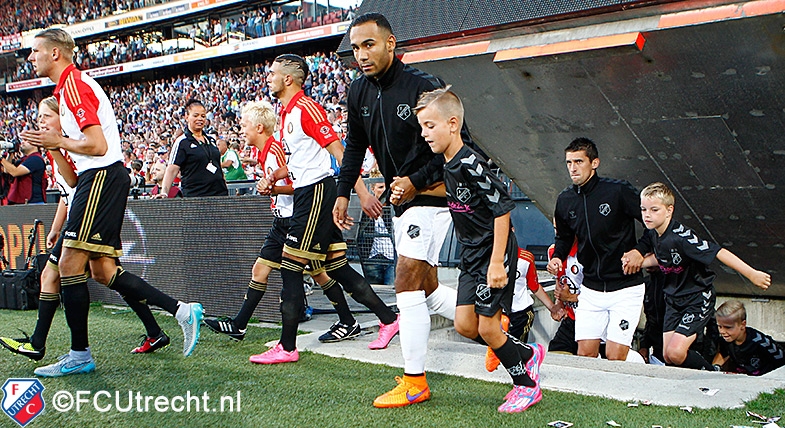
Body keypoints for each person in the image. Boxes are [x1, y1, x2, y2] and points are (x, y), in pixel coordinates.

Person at [19, 28, 203, 377]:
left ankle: (79, 354)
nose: (31, 57)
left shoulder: (74, 86)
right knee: (102, 271)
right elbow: (75, 173)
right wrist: (54, 146)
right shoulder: (68, 88)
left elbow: (98, 146)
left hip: (102, 177)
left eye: (35, 50)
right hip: (100, 178)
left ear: (55, 53)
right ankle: (181, 311)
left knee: (68, 264)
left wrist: (59, 140)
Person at [333, 12, 465, 408]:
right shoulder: (358, 91)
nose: (361, 54)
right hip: (402, 199)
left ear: (390, 44)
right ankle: (493, 324)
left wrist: (416, 181)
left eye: (369, 45)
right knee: (426, 290)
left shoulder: (422, 86)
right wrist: (343, 193)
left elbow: (456, 143)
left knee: (405, 279)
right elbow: (354, 147)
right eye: (355, 48)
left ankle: (415, 380)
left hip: (432, 196)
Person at [248, 54, 399, 365]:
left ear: (288, 79)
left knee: (291, 266)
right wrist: (274, 177)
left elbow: (340, 152)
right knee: (336, 266)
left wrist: (362, 192)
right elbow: (299, 160)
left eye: (273, 73)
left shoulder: (306, 108)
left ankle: (287, 347)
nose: (268, 77)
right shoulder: (288, 112)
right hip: (311, 193)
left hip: (316, 193)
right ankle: (388, 319)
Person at [1, 97, 172, 361]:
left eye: (46, 116)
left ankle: (51, 346)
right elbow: (67, 191)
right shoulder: (58, 146)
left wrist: (57, 148)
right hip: (80, 216)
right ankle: (157, 328)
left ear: (62, 117)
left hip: (89, 215)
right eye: (39, 117)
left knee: (63, 273)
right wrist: (56, 227)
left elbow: (80, 184)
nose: (41, 122)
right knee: (106, 274)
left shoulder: (75, 142)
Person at [203, 100, 381, 345]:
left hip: (295, 219)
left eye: (244, 125)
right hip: (282, 220)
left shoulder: (276, 149)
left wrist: (273, 188)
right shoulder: (265, 151)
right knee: (263, 270)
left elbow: (298, 183)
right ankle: (240, 325)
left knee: (321, 272)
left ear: (258, 127)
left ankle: (350, 321)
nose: (241, 130)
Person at [415, 87, 544, 413]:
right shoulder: (447, 163)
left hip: (493, 254)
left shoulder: (471, 163)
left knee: (488, 326)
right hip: (470, 255)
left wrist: (497, 262)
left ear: (453, 124)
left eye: (430, 125)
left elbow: (502, 209)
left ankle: (526, 386)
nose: (424, 133)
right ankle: (526, 354)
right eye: (422, 126)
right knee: (464, 325)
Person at [633, 182, 770, 370]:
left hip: (696, 298)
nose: (647, 215)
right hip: (673, 299)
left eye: (654, 210)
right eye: (643, 209)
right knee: (667, 356)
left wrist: (752, 274)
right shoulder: (654, 234)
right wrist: (638, 262)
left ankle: (712, 372)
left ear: (669, 210)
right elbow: (662, 257)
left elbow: (719, 252)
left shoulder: (682, 236)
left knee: (676, 352)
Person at [547, 137, 645, 362]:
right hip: (590, 289)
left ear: (594, 163)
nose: (573, 168)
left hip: (625, 287)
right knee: (585, 354)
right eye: (569, 162)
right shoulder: (565, 200)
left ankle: (637, 370)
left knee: (614, 355)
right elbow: (564, 238)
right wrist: (558, 257)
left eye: (579, 162)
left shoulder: (618, 191)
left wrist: (640, 250)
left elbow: (652, 223)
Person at [486, 247, 563, 372]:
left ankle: (526, 366)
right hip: (496, 312)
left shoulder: (525, 257)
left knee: (516, 351)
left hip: (521, 313)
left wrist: (552, 308)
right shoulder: (485, 256)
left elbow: (534, 286)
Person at [156, 99, 228, 198]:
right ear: (186, 117)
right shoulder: (182, 142)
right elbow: (172, 170)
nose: (200, 119)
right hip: (195, 197)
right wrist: (164, 192)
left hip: (219, 195)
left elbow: (217, 166)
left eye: (203, 116)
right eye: (195, 115)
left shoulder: (211, 140)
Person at [713, 300, 784, 375]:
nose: (722, 331)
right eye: (719, 326)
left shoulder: (762, 343)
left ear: (743, 325)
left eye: (728, 327)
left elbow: (781, 361)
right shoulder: (726, 339)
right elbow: (723, 353)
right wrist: (715, 367)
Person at [357, 177, 395, 285]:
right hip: (371, 258)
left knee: (392, 290)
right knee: (373, 290)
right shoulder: (365, 208)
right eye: (380, 187)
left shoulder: (393, 207)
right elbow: (359, 231)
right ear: (373, 189)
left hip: (392, 258)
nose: (384, 190)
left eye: (386, 187)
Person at [0, 134, 47, 205]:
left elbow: (15, 172)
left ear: (35, 144)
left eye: (26, 140)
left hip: (33, 202)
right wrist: (10, 154)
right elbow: (7, 170)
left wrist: (1, 158)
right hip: (24, 201)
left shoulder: (36, 159)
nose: (22, 142)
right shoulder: (24, 159)